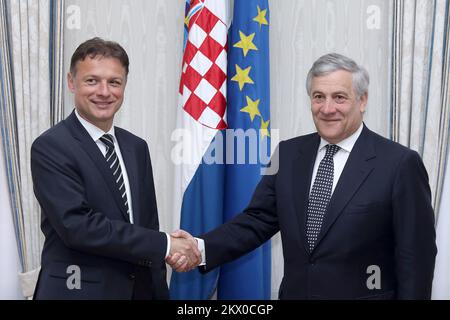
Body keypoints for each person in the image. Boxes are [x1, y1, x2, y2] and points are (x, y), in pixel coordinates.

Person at [169, 53, 437, 299]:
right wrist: (200, 249)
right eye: (319, 96)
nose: (327, 108)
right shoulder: (289, 154)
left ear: (362, 100)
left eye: (339, 97)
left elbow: (416, 258)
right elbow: (256, 221)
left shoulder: (400, 164)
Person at [31, 37, 200, 300]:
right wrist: (166, 245)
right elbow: (79, 227)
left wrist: (159, 283)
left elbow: (146, 225)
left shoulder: (136, 147)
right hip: (78, 292)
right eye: (92, 80)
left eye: (114, 82)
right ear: (71, 82)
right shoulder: (51, 146)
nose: (104, 91)